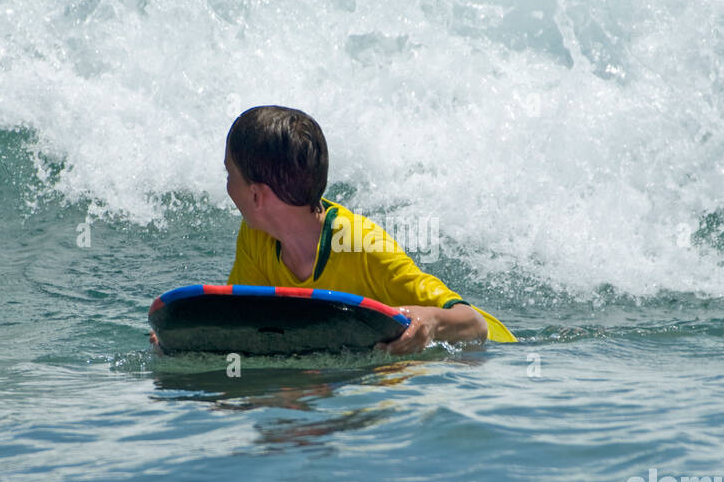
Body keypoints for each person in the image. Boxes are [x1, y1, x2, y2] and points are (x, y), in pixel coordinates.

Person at [151, 105, 515, 355]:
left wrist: (431, 322)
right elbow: (250, 321)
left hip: (490, 367)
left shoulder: (361, 245)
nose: (227, 186)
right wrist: (187, 338)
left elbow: (475, 325)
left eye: (229, 174)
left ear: (257, 195)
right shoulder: (256, 236)